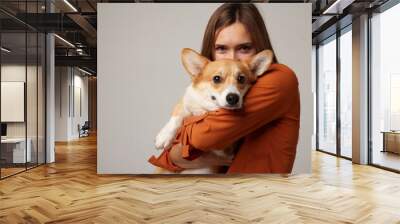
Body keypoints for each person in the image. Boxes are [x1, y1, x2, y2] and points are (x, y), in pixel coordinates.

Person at [148, 3, 300, 173]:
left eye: (244, 48)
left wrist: (186, 129)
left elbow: (200, 138)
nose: (232, 59)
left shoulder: (280, 79)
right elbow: (171, 157)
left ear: (258, 45)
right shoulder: (208, 85)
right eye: (221, 48)